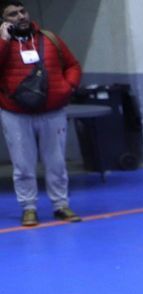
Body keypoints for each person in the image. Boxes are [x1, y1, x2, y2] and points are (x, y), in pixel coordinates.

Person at [0, 2, 81, 227]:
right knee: (23, 164)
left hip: (52, 111)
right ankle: (28, 208)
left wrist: (69, 87)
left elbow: (73, 65)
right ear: (4, 20)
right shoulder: (3, 43)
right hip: (15, 113)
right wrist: (4, 41)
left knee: (56, 162)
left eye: (22, 11)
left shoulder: (50, 39)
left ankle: (61, 205)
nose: (20, 16)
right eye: (13, 14)